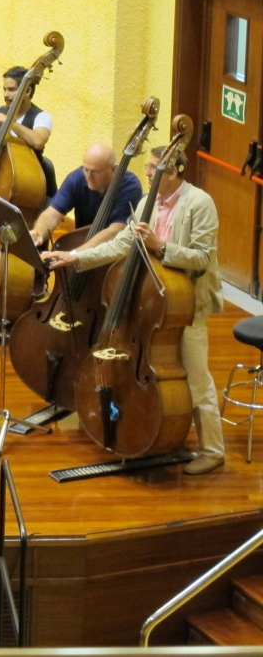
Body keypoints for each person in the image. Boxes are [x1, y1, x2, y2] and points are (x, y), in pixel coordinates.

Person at [43, 147, 224, 475]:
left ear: (174, 172)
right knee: (158, 375)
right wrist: (77, 258)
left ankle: (213, 449)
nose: (149, 174)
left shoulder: (200, 204)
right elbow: (120, 244)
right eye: (149, 167)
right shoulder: (145, 204)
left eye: (155, 168)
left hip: (185, 305)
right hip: (150, 305)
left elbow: (202, 258)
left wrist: (160, 247)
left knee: (196, 379)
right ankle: (162, 431)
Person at [29, 142, 143, 249]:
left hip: (113, 250)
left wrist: (75, 255)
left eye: (95, 172)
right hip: (83, 242)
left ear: (113, 169)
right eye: (86, 169)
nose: (88, 177)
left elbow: (116, 231)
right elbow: (52, 214)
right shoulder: (77, 177)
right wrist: (38, 233)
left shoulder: (130, 186)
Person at [0, 65, 55, 195]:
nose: (6, 94)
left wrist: (10, 122)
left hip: (29, 186)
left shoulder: (42, 117)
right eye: (5, 89)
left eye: (11, 90)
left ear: (27, 91)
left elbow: (38, 141)